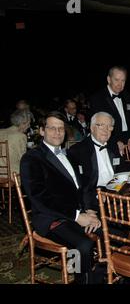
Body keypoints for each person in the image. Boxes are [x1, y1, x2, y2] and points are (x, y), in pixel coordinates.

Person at [20, 111, 102, 284]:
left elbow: (84, 187)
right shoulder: (31, 159)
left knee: (113, 231)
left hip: (78, 212)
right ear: (42, 131)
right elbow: (40, 199)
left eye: (61, 129)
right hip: (51, 217)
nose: (57, 133)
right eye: (52, 128)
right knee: (83, 245)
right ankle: (82, 280)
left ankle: (99, 275)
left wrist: (89, 211)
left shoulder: (69, 155)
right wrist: (77, 217)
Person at [67, 112, 130, 214]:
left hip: (118, 193)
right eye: (101, 125)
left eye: (109, 127)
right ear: (92, 128)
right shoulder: (78, 151)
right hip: (95, 199)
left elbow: (122, 167)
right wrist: (95, 197)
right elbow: (79, 184)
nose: (106, 130)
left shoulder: (113, 145)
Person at [89, 66, 130, 156]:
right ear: (109, 79)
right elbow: (98, 127)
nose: (120, 84)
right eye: (116, 80)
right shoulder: (97, 98)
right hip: (109, 141)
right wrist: (115, 141)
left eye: (123, 81)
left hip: (129, 142)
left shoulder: (128, 96)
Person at [0, 109, 30, 177]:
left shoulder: (0, 132)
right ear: (23, 123)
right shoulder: (20, 136)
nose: (29, 126)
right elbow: (23, 160)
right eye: (28, 123)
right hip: (13, 175)